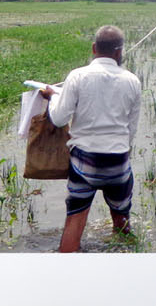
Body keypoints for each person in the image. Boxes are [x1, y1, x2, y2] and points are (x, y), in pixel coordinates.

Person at [38, 25, 141, 252]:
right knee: (121, 221)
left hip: (84, 161)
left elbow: (58, 118)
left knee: (75, 220)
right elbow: (131, 129)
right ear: (119, 53)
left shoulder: (77, 76)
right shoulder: (133, 80)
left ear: (94, 48)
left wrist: (52, 97)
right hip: (119, 161)